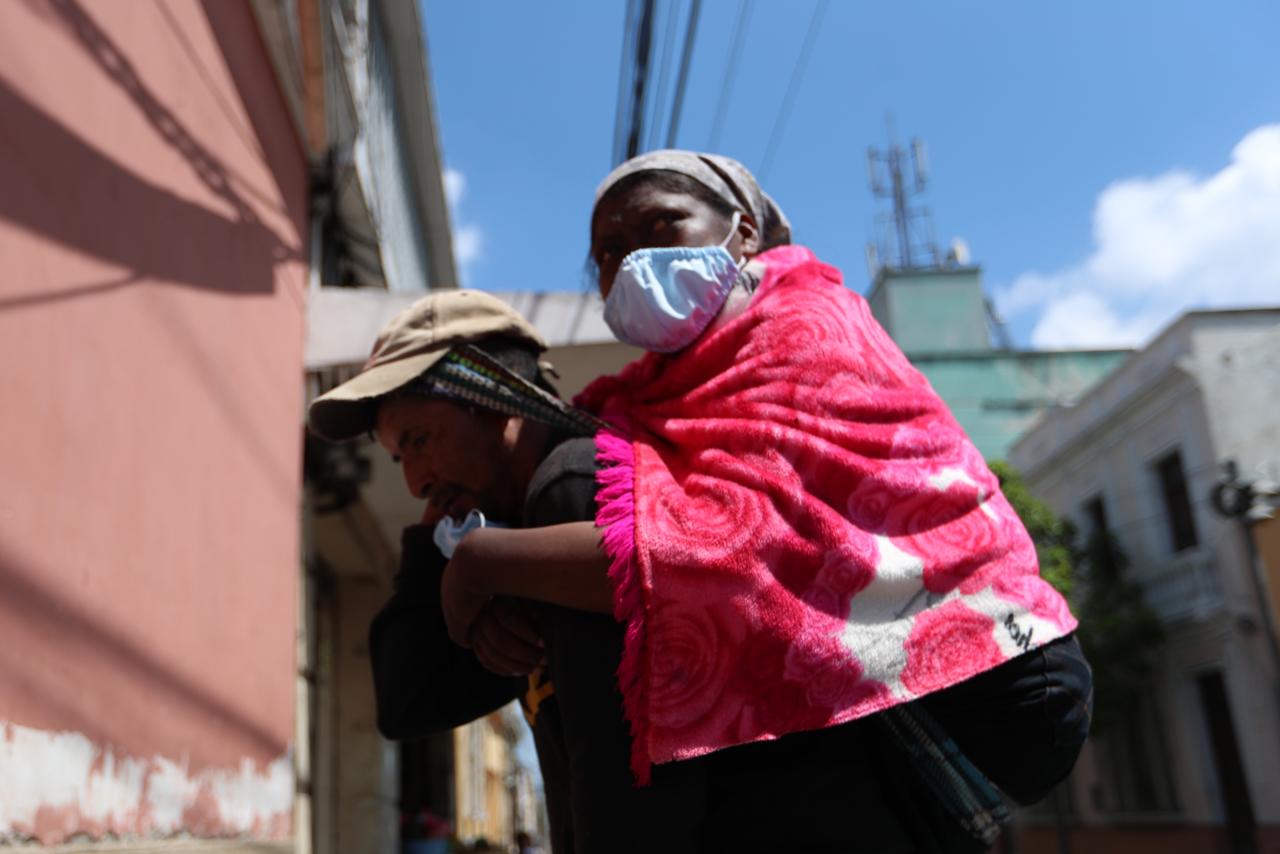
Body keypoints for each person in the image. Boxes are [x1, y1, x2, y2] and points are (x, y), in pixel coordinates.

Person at [438, 151, 1093, 844]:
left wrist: (479, 563)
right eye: (609, 253)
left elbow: (728, 554)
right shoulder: (666, 384)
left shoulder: (809, 326)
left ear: (743, 232)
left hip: (991, 678)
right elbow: (584, 441)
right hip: (871, 691)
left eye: (662, 226)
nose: (633, 263)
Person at [307, 290, 717, 854]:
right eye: (401, 457)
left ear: (493, 397)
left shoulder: (576, 487)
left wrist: (475, 564)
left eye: (421, 441)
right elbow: (407, 701)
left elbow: (626, 782)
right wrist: (437, 550)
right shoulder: (517, 541)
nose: (414, 481)